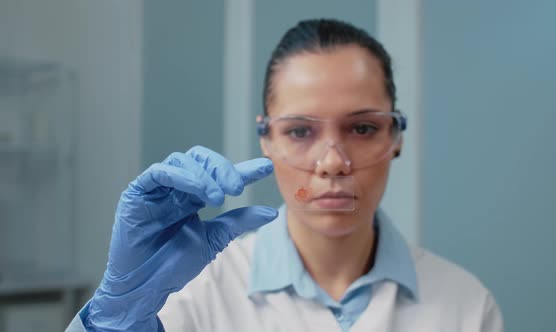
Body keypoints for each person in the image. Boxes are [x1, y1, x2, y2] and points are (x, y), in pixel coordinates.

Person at [67, 18, 503, 332]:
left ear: (396, 137)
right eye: (299, 130)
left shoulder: (466, 306)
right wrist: (116, 318)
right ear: (266, 140)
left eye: (363, 127)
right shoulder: (194, 292)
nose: (332, 162)